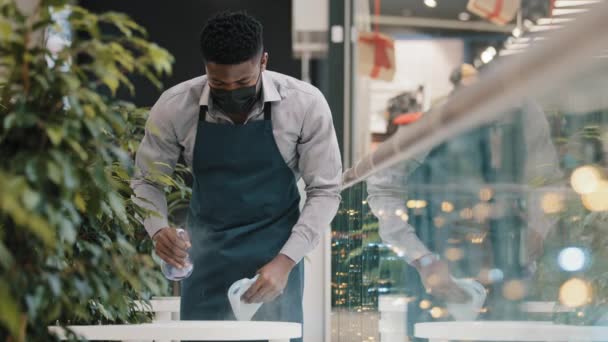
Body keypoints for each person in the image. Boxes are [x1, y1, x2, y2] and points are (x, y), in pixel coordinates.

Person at [132, 11, 342, 341]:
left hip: (276, 259)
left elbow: (326, 191)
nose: (231, 92)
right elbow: (146, 181)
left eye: (243, 83)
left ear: (263, 62)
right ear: (205, 69)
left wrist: (286, 262)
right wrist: (158, 231)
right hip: (206, 263)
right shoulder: (174, 107)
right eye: (219, 84)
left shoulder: (305, 105)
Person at [366, 63, 561, 333]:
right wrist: (423, 259)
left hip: (509, 268)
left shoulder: (527, 115)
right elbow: (383, 187)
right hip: (440, 259)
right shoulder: (438, 121)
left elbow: (549, 182)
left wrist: (538, 228)